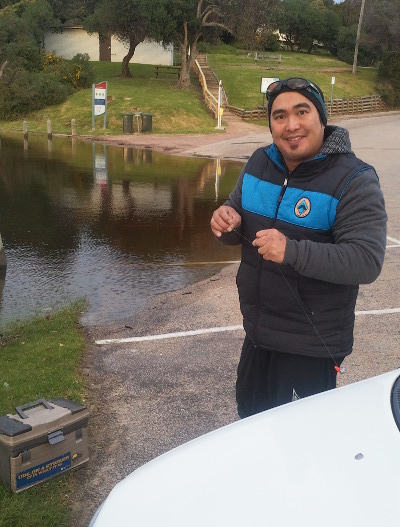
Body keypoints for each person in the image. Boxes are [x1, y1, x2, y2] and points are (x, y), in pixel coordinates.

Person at [210, 77, 387, 419]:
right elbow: (235, 221)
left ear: (321, 117)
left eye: (301, 111)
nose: (290, 125)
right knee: (251, 425)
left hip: (311, 346)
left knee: (305, 446)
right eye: (279, 116)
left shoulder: (354, 180)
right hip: (258, 335)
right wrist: (225, 224)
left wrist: (292, 251)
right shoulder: (259, 162)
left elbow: (366, 261)